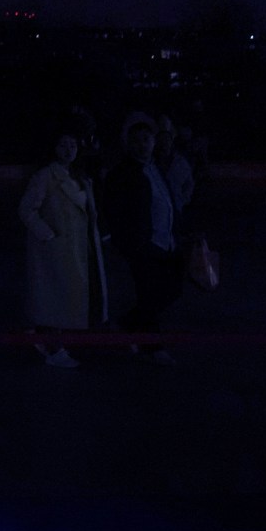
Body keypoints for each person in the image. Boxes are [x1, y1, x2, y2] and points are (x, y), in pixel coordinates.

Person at [18, 133, 105, 366]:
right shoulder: (45, 176)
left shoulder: (81, 178)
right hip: (56, 250)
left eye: (73, 144)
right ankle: (51, 346)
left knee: (66, 297)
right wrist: (48, 235)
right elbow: (26, 209)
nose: (69, 149)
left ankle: (53, 342)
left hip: (77, 247)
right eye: (63, 144)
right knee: (54, 298)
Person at [102, 114, 182, 363]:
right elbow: (113, 208)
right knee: (149, 294)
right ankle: (153, 346)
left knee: (171, 289)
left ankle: (128, 323)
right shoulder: (123, 173)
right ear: (128, 143)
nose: (141, 145)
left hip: (164, 242)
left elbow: (167, 202)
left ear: (153, 142)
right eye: (136, 140)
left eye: (146, 139)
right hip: (142, 245)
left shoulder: (155, 167)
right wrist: (126, 241)